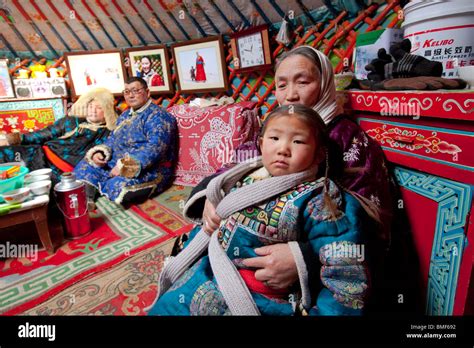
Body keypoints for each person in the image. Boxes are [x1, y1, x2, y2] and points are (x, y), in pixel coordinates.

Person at [181, 46, 393, 306]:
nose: (290, 95)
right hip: (235, 252)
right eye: (281, 85)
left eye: (303, 82)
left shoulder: (348, 141)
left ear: (325, 83)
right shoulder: (274, 126)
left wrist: (305, 257)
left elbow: (368, 227)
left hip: (291, 282)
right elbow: (232, 168)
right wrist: (211, 200)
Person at [149, 105, 370, 315]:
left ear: (319, 154)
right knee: (167, 306)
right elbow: (214, 226)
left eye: (298, 141)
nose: (283, 149)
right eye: (274, 138)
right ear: (261, 144)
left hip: (260, 298)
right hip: (211, 271)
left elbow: (345, 269)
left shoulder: (320, 198)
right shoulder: (244, 175)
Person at [74, 77, 177, 206]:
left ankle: (100, 189)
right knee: (86, 166)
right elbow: (112, 138)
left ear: (147, 92)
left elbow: (155, 148)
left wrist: (124, 166)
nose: (131, 95)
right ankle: (86, 200)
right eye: (127, 92)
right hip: (115, 164)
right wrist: (100, 152)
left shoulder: (158, 116)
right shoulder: (124, 115)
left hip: (150, 169)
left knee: (118, 185)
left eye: (135, 90)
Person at [0, 87, 117, 182]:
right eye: (90, 106)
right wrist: (13, 139)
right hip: (41, 154)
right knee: (5, 154)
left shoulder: (108, 133)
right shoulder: (72, 121)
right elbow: (45, 134)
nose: (93, 110)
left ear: (107, 111)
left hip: (62, 172)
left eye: (98, 108)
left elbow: (106, 151)